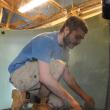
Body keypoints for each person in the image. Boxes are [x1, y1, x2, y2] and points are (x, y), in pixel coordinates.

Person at [8, 16, 95, 110]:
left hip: (34, 82)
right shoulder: (46, 40)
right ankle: (40, 103)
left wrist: (85, 97)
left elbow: (68, 78)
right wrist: (73, 103)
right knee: (58, 66)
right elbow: (45, 77)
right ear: (66, 30)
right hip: (19, 74)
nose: (78, 41)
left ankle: (23, 96)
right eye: (77, 37)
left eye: (81, 39)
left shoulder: (65, 51)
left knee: (59, 102)